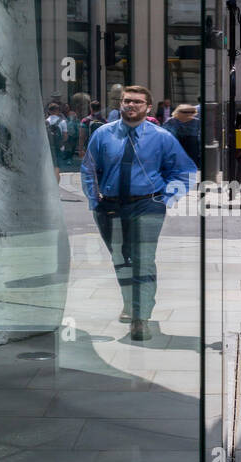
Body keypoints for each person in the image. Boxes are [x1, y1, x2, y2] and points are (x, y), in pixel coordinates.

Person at [81, 85, 195, 341]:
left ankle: (140, 317)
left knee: (143, 259)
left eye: (137, 102)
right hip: (109, 205)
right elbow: (89, 169)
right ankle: (129, 303)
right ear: (120, 104)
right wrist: (93, 200)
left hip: (146, 204)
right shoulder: (102, 135)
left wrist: (165, 199)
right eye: (126, 101)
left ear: (148, 107)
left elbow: (184, 172)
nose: (130, 105)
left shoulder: (161, 137)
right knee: (121, 259)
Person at [165, 103, 200, 168]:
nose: (189, 114)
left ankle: (190, 177)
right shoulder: (171, 121)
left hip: (192, 147)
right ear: (178, 112)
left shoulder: (197, 122)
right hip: (176, 145)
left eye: (192, 112)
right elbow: (165, 134)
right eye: (185, 112)